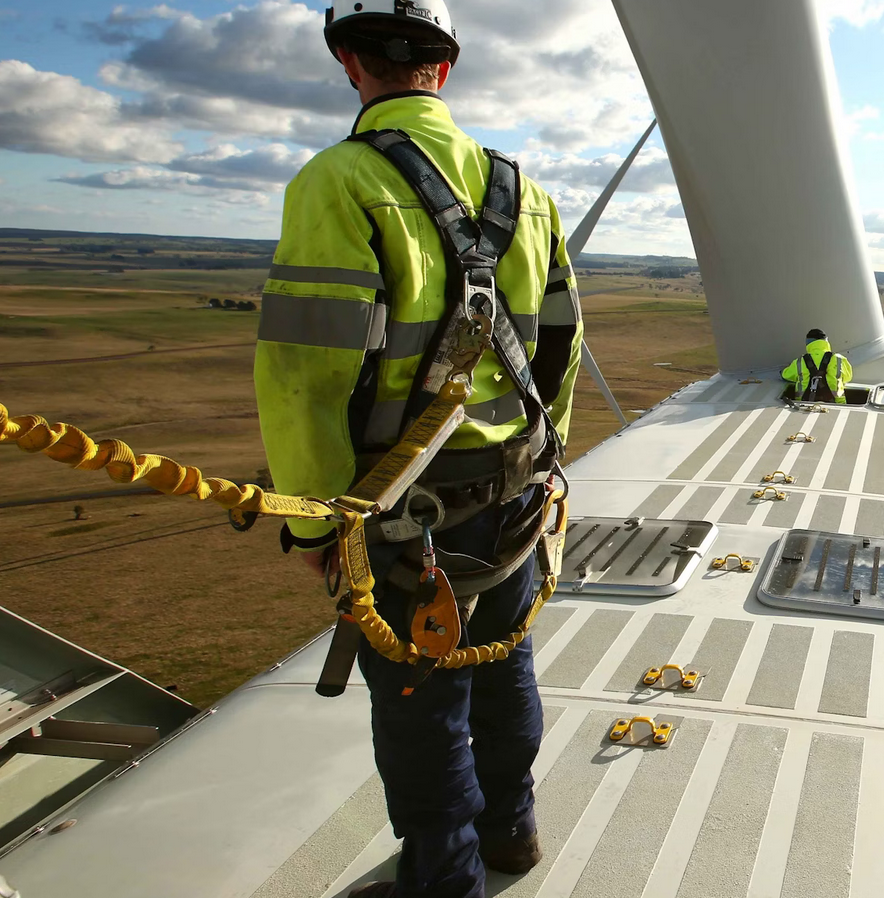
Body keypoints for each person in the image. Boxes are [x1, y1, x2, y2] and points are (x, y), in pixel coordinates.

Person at [253, 1, 583, 896]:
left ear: (346, 59)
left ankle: (446, 874)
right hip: (512, 492)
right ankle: (511, 831)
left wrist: (323, 526)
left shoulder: (338, 180)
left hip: (401, 514)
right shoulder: (528, 191)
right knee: (504, 658)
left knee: (417, 696)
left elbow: (303, 377)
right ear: (446, 67)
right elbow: (560, 348)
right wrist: (541, 458)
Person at [781, 328, 853, 403]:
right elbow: (848, 378)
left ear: (808, 344)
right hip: (836, 404)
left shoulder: (800, 361)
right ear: (826, 341)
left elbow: (785, 375)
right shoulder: (839, 359)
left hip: (804, 403)